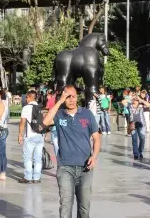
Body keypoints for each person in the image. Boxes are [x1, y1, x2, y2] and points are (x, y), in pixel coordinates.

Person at [43, 85, 101, 218]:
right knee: (65, 206)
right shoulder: (59, 115)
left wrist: (94, 156)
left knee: (84, 207)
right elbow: (45, 122)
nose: (71, 99)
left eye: (73, 96)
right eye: (67, 97)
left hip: (85, 167)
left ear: (77, 97)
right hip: (65, 168)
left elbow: (97, 138)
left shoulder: (87, 114)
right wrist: (59, 101)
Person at [18, 90, 44, 184]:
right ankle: (36, 178)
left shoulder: (26, 108)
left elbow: (22, 123)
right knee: (38, 158)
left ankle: (28, 177)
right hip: (40, 136)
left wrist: (20, 135)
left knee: (28, 158)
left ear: (29, 97)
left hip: (30, 136)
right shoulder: (40, 107)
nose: (26, 99)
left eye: (26, 97)